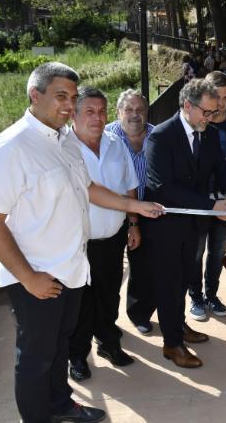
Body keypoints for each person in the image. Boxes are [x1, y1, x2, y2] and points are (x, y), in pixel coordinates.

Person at [0, 62, 163, 423]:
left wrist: (133, 206)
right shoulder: (13, 146)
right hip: (36, 274)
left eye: (73, 97)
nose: (69, 104)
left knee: (59, 346)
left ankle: (61, 405)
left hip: (71, 268)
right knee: (36, 356)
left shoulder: (64, 141)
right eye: (61, 96)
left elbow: (87, 188)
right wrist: (29, 278)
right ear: (35, 95)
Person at [143, 78, 226, 369]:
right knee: (169, 285)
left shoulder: (209, 134)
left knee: (183, 280)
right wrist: (211, 207)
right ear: (187, 106)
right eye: (206, 112)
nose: (211, 117)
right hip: (166, 228)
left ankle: (178, 325)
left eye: (214, 111)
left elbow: (222, 170)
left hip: (193, 226)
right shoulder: (161, 136)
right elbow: (162, 188)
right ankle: (172, 345)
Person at [67, 87, 140, 383]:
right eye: (89, 111)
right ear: (73, 114)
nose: (97, 118)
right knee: (80, 304)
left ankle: (109, 344)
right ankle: (77, 357)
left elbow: (130, 184)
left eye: (101, 111)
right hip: (78, 243)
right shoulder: (63, 147)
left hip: (113, 238)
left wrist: (133, 223)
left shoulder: (115, 143)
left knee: (110, 295)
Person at [188, 71, 226, 322]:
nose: (221, 103)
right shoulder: (197, 121)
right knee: (196, 251)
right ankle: (195, 297)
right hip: (199, 201)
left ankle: (211, 294)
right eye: (216, 97)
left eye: (225, 97)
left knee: (218, 251)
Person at [106, 89, 157, 335]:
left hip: (148, 211)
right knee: (111, 271)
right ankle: (106, 323)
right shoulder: (106, 137)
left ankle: (140, 314)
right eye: (129, 109)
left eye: (140, 110)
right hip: (113, 212)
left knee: (144, 267)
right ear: (119, 112)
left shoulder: (157, 136)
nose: (135, 115)